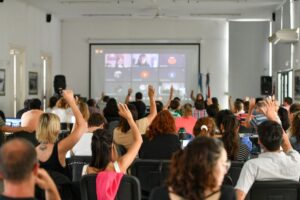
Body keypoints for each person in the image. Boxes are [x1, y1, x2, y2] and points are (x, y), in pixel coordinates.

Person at [235, 100, 300, 200]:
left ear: (259, 141)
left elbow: (238, 198)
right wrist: (273, 118)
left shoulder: (251, 166)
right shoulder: (296, 160)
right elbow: (287, 144)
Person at [150, 137, 235, 200]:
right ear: (207, 167)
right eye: (223, 164)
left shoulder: (159, 195)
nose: (226, 170)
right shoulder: (226, 195)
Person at [35, 90, 87, 177]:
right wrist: (72, 102)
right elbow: (82, 126)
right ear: (56, 128)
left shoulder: (32, 151)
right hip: (60, 190)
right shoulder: (60, 148)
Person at [82, 103, 142, 174]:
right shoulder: (119, 167)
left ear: (93, 149)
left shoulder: (86, 169)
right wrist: (129, 118)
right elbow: (139, 140)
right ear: (112, 148)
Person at [114, 85, 157, 150]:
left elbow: (126, 103)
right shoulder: (140, 125)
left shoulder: (116, 131)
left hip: (123, 159)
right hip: (137, 159)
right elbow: (154, 114)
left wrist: (128, 94)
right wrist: (151, 97)